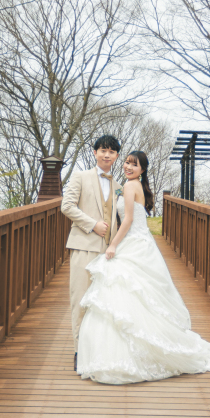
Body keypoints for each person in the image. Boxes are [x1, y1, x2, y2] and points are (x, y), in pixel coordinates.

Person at [76, 151, 210, 384]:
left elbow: (128, 219)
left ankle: (124, 353)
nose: (129, 167)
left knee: (124, 289)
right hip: (142, 242)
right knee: (138, 293)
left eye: (135, 165)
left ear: (142, 169)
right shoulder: (133, 185)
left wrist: (112, 245)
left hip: (133, 242)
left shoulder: (131, 186)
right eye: (127, 163)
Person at [61, 135, 124, 372]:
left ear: (117, 156)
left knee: (104, 303)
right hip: (84, 246)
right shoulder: (81, 176)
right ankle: (79, 352)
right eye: (103, 150)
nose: (107, 155)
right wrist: (92, 224)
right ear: (95, 152)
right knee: (80, 300)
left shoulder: (118, 185)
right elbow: (66, 206)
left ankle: (99, 349)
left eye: (112, 152)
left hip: (108, 253)